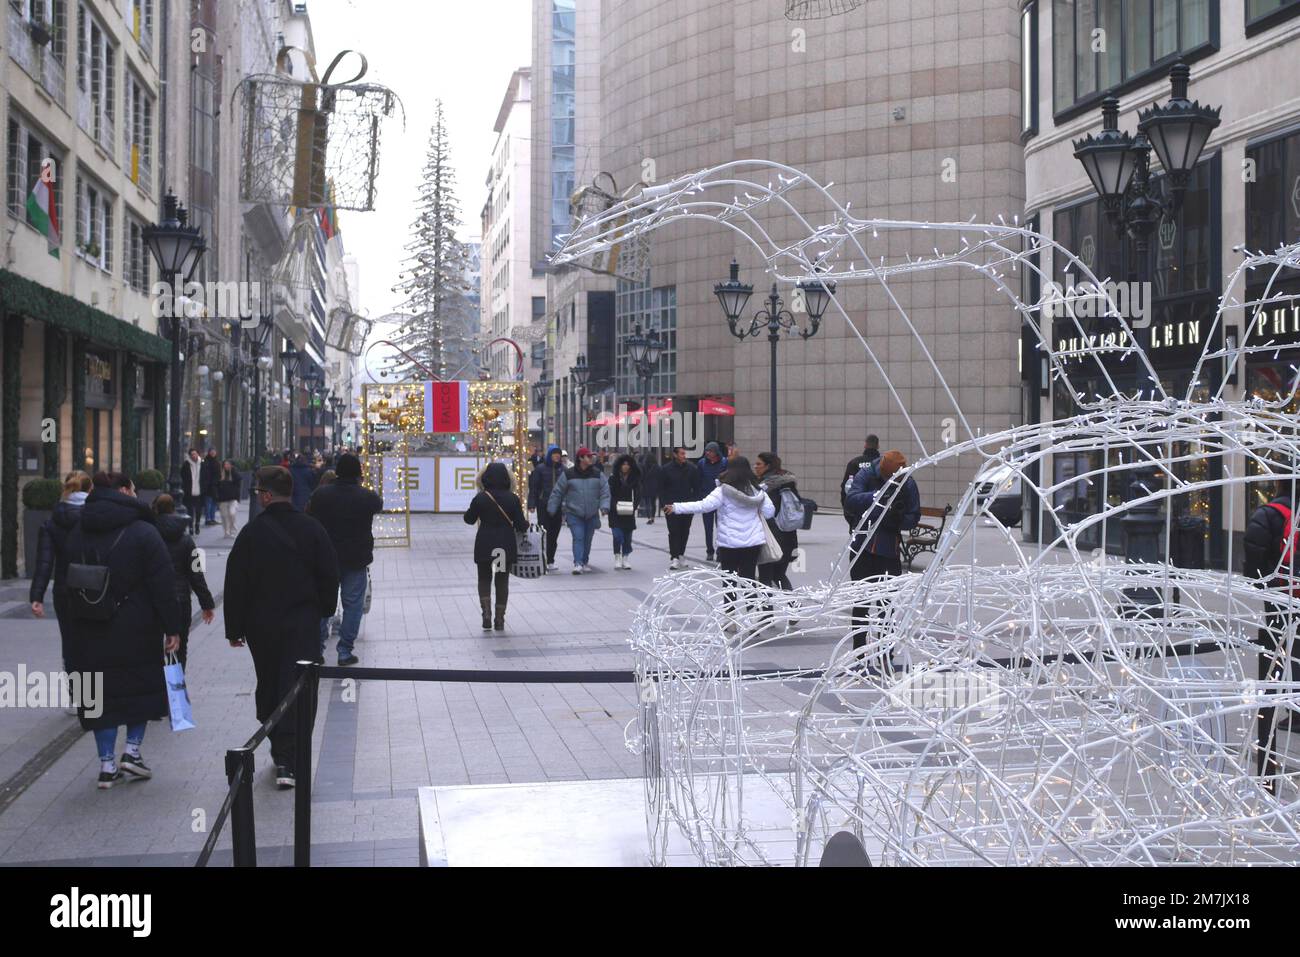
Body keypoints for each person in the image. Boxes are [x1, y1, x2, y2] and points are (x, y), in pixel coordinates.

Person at [63, 472, 182, 789]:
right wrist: (172, 627)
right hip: (136, 625)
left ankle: (106, 764)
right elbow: (163, 583)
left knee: (100, 697)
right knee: (136, 688)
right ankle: (132, 751)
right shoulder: (144, 531)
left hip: (89, 626)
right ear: (126, 492)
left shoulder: (78, 530)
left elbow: (64, 584)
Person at [225, 467, 339, 788]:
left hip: (262, 625)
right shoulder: (312, 529)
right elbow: (329, 574)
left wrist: (234, 628)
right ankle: (292, 752)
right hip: (302, 622)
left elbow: (235, 583)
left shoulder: (252, 534)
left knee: (271, 681)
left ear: (264, 495)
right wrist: (324, 611)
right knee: (300, 684)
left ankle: (281, 751)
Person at [1243, 489, 1300, 786]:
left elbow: (1252, 561)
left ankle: (1268, 775)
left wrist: (1264, 582)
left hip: (1280, 602)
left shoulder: (1271, 513)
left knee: (1274, 667)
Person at [306, 452, 382, 666]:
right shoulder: (366, 497)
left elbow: (309, 515)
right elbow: (378, 503)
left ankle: (318, 649)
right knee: (353, 606)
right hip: (356, 559)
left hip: (325, 558)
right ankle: (345, 651)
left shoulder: (321, 495)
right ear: (359, 473)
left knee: (322, 604)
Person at [845, 450, 921, 662]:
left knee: (887, 606)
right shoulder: (867, 474)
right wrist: (878, 497)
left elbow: (913, 516)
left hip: (889, 549)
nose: (892, 481)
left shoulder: (907, 482)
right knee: (861, 602)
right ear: (882, 471)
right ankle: (859, 653)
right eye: (888, 478)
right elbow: (851, 500)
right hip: (862, 547)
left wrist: (896, 518)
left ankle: (885, 654)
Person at [665, 456, 775, 597]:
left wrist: (676, 507)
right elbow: (769, 512)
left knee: (729, 582)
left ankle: (730, 614)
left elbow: (703, 506)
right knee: (749, 580)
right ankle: (751, 613)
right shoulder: (757, 491)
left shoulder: (723, 490)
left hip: (729, 544)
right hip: (752, 543)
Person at [30, 470, 92, 712]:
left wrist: (36, 597)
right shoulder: (94, 517)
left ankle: (76, 697)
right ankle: (93, 695)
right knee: (93, 640)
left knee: (71, 643)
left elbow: (44, 563)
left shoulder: (53, 521)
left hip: (64, 591)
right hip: (93, 588)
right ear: (90, 490)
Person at [151, 494, 216, 668]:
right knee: (180, 647)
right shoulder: (187, 540)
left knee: (153, 647)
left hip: (153, 600)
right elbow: (196, 574)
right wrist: (207, 604)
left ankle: (159, 686)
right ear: (173, 509)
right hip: (181, 599)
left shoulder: (149, 536)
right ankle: (176, 685)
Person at [463, 462, 529, 630]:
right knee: (501, 579)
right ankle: (499, 619)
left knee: (484, 578)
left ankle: (486, 613)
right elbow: (521, 525)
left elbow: (469, 520)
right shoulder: (512, 498)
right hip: (503, 545)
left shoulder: (481, 497)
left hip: (485, 543)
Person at [547, 446, 610, 574]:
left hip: (592, 513)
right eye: (588, 456)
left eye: (591, 456)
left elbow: (605, 491)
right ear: (581, 458)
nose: (591, 458)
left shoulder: (598, 474)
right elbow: (557, 491)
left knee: (587, 539)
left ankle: (584, 561)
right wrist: (552, 508)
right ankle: (578, 563)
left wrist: (604, 506)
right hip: (574, 513)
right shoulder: (569, 474)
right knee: (578, 537)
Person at [755, 452, 799, 591]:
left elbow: (765, 513)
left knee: (765, 578)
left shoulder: (766, 486)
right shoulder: (788, 483)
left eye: (759, 464)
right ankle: (794, 606)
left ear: (768, 466)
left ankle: (766, 611)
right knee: (779, 574)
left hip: (771, 537)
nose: (755, 467)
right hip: (789, 536)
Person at [660, 446, 700, 569]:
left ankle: (681, 554)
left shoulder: (691, 469)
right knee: (673, 532)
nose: (684, 456)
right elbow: (661, 488)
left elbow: (696, 488)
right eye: (682, 454)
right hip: (671, 507)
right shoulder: (666, 469)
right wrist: (664, 504)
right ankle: (674, 557)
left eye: (684, 454)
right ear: (675, 455)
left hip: (687, 506)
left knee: (684, 531)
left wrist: (694, 503)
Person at [527, 445, 565, 570]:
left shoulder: (563, 470)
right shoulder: (540, 469)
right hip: (543, 505)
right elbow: (534, 487)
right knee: (544, 533)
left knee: (554, 534)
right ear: (549, 455)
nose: (557, 456)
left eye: (558, 454)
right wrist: (531, 504)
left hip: (558, 506)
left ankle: (550, 560)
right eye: (554, 453)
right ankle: (543, 559)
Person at [608, 453, 641, 570]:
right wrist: (611, 506)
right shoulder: (613, 478)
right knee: (617, 535)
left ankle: (625, 557)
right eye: (623, 464)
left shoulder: (635, 479)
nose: (625, 466)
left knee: (627, 536)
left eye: (628, 464)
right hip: (615, 511)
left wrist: (635, 506)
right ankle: (617, 556)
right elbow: (609, 494)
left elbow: (638, 494)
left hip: (628, 511)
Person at [696, 441, 728, 562]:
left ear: (716, 452)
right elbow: (698, 480)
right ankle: (710, 551)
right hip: (707, 498)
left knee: (721, 526)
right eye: (706, 451)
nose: (707, 453)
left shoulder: (725, 463)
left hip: (721, 500)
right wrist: (700, 495)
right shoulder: (702, 463)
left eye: (710, 451)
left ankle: (720, 551)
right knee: (708, 527)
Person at [841, 435, 881, 518]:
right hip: (879, 510)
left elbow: (846, 488)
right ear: (878, 446)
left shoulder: (854, 463)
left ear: (865, 445)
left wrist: (847, 510)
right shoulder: (882, 463)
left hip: (858, 509)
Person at [216, 460, 242, 538]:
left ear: (231, 465)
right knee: (224, 516)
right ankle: (226, 531)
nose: (226, 466)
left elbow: (238, 486)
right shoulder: (220, 474)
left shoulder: (235, 474)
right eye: (225, 464)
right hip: (222, 499)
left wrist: (237, 497)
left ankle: (233, 530)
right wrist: (217, 496)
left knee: (232, 513)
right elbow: (216, 485)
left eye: (228, 464)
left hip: (233, 499)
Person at [181, 449, 204, 535]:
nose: (194, 456)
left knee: (198, 510)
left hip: (199, 491)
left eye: (195, 454)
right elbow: (183, 477)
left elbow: (205, 476)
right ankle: (190, 526)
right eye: (192, 454)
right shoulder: (186, 465)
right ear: (190, 456)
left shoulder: (202, 464)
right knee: (190, 510)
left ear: (198, 454)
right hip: (189, 492)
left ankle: (197, 524)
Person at [639, 450, 661, 524]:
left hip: (645, 486)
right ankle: (653, 517)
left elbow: (641, 477)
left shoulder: (643, 466)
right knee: (653, 503)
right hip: (654, 487)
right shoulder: (657, 467)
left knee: (647, 503)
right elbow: (659, 477)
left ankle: (649, 518)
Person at [200, 448, 221, 526]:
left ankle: (212, 518)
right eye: (211, 452)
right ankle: (208, 519)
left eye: (214, 452)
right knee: (208, 502)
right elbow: (204, 474)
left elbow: (219, 474)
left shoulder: (217, 462)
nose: (213, 453)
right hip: (208, 486)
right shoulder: (206, 462)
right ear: (209, 453)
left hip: (215, 485)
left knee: (214, 503)